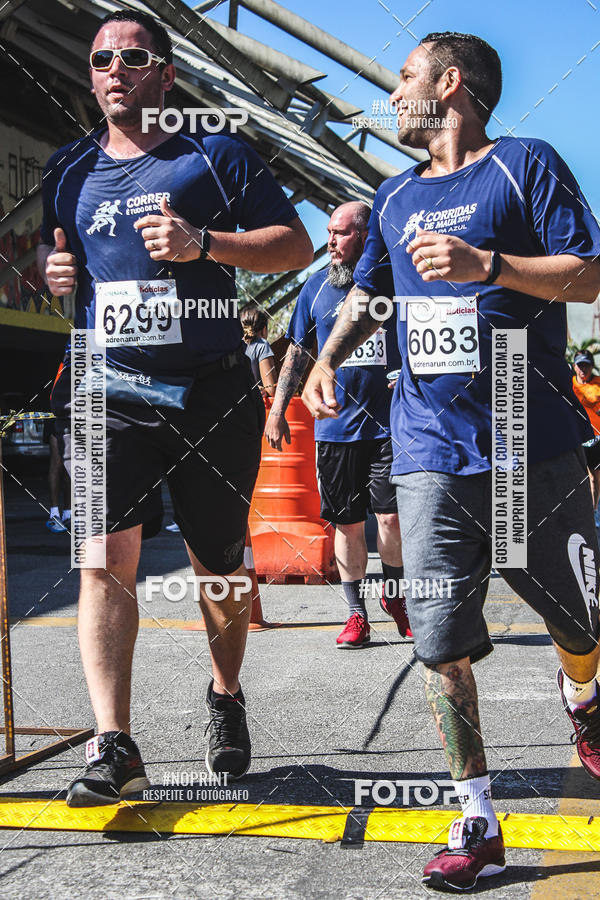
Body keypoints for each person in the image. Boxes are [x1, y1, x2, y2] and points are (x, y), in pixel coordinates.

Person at [302, 31, 600, 892]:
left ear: (451, 84)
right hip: (428, 450)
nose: (394, 95)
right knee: (439, 641)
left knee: (580, 624)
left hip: (525, 439)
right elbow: (372, 294)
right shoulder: (392, 197)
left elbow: (588, 273)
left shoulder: (524, 165)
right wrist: (326, 359)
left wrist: (488, 266)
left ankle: (582, 696)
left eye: (404, 77)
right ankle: (475, 814)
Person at [37, 9, 312, 806]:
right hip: (107, 393)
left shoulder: (216, 156)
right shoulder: (68, 169)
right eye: (100, 58)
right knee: (104, 558)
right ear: (90, 76)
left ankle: (225, 696)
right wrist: (62, 282)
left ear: (166, 72)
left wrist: (207, 245)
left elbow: (293, 244)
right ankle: (112, 742)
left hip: (209, 391)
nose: (114, 67)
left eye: (132, 55)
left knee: (218, 563)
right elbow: (72, 262)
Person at [265, 201, 410, 648]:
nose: (331, 241)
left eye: (342, 233)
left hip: (388, 425)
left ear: (366, 238)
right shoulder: (313, 290)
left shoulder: (391, 286)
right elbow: (297, 353)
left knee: (390, 520)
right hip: (335, 429)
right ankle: (355, 614)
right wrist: (277, 408)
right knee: (346, 525)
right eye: (329, 232)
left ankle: (396, 596)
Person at [572, 350, 600, 509]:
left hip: (596, 438)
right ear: (574, 366)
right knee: (575, 476)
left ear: (592, 366)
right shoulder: (569, 385)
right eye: (580, 365)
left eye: (587, 365)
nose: (583, 370)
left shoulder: (598, 383)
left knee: (594, 477)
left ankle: (592, 511)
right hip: (575, 438)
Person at [240, 305, 278, 397]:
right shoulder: (262, 345)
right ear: (264, 330)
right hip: (254, 408)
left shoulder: (233, 346)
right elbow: (272, 389)